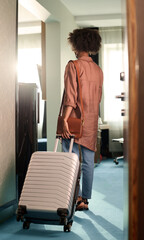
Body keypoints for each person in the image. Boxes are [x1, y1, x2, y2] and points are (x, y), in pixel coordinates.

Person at [60, 28, 103, 211]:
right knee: (88, 160)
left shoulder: (73, 65)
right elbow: (98, 97)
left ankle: (72, 195)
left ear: (76, 44)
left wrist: (64, 120)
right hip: (92, 120)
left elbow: (71, 97)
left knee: (70, 158)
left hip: (75, 120)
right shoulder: (98, 70)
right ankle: (85, 199)